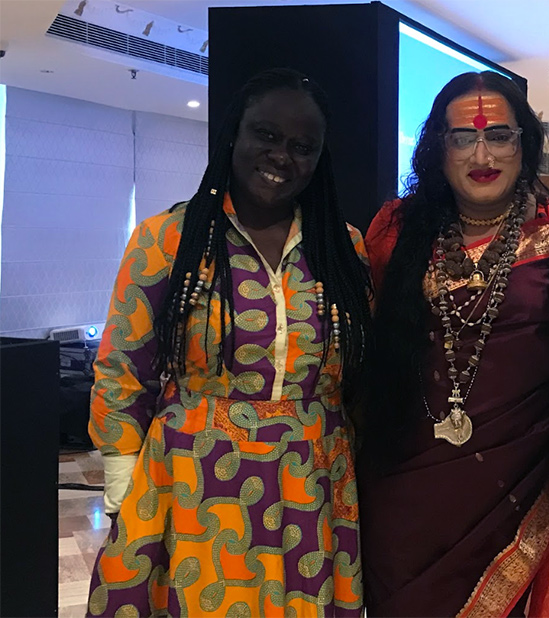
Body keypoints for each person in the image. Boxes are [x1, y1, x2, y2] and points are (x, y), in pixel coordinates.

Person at [86, 68, 371, 616]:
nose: (281, 156)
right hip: (191, 476)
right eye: (266, 134)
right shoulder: (168, 238)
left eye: (302, 146)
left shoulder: (343, 247)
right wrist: (122, 481)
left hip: (312, 479)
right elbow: (123, 366)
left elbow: (357, 371)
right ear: (235, 133)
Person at [357, 72, 549, 617]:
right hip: (402, 502)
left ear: (524, 144)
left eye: (499, 136)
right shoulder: (394, 233)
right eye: (462, 138)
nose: (481, 155)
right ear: (438, 149)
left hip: (516, 497)